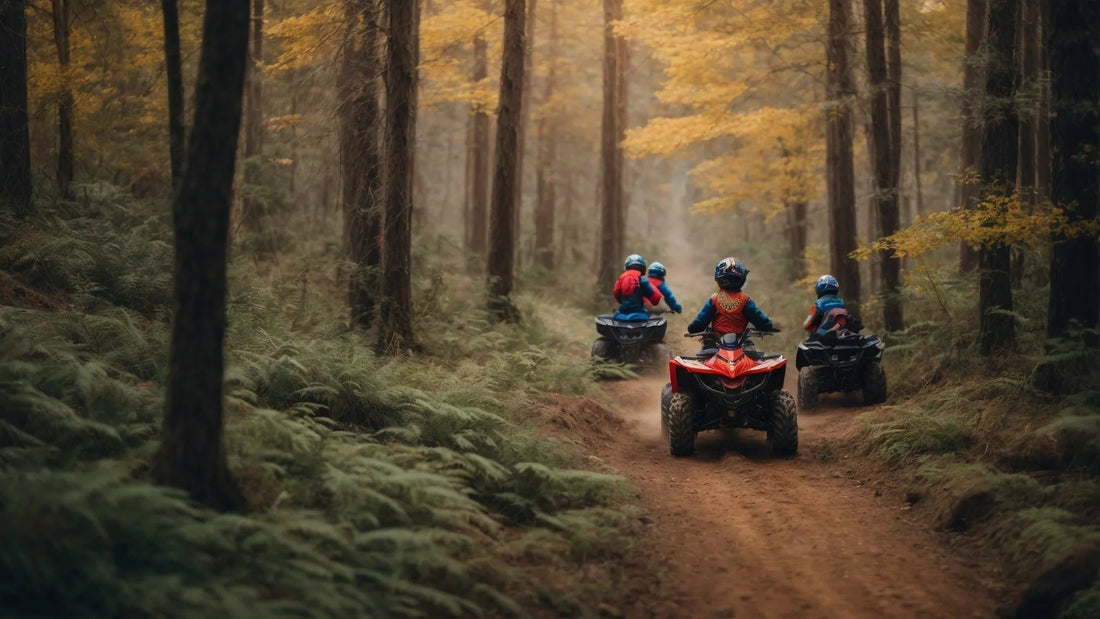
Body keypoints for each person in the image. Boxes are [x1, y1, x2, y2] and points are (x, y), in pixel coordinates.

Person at [687, 257, 774, 340]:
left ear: (719, 280)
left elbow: (701, 321)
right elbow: (759, 319)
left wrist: (693, 329)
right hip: (740, 342)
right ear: (741, 280)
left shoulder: (715, 299)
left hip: (716, 341)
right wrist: (767, 325)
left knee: (706, 352)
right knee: (752, 351)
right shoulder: (745, 300)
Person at [613, 253, 663, 321]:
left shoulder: (620, 279)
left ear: (627, 267)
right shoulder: (643, 281)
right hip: (640, 316)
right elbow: (656, 298)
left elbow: (616, 294)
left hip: (622, 315)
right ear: (643, 268)